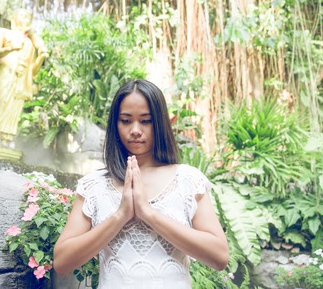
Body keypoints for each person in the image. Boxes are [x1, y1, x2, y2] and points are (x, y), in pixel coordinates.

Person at [53, 79, 229, 288]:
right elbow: (62, 262)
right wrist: (120, 216)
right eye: (126, 121)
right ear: (115, 124)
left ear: (161, 123)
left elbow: (219, 256)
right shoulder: (94, 185)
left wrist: (149, 213)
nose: (135, 130)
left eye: (146, 121)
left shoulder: (187, 180)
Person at [0, 9, 49, 148]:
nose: (26, 19)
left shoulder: (30, 44)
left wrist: (40, 57)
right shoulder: (2, 32)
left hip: (21, 79)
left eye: (28, 17)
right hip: (5, 74)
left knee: (14, 108)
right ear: (14, 18)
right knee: (1, 101)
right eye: (22, 16)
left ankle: (7, 136)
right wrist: (11, 47)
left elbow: (32, 71)